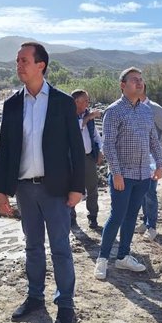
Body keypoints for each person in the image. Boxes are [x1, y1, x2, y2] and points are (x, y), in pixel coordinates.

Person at [0, 42, 85, 323]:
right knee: (32, 247)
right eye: (17, 60)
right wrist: (0, 190)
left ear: (40, 65)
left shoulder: (61, 102)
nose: (18, 65)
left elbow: (75, 148)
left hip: (55, 189)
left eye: (23, 60)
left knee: (60, 249)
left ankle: (66, 305)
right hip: (24, 189)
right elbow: (5, 150)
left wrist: (77, 188)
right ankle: (35, 297)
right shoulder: (11, 104)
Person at [94, 67, 162, 281]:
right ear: (122, 85)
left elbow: (153, 140)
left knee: (132, 216)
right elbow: (108, 146)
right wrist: (116, 173)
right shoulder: (114, 111)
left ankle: (123, 256)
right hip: (123, 175)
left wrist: (160, 164)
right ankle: (103, 259)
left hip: (143, 175)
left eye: (141, 80)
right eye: (134, 80)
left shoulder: (146, 111)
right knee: (117, 216)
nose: (139, 83)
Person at [136, 85, 162, 240]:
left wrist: (157, 150)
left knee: (150, 192)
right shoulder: (133, 108)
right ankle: (145, 221)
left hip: (150, 160)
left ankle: (152, 226)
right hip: (137, 159)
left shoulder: (155, 110)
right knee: (142, 192)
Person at [70, 89, 103, 229]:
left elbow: (95, 135)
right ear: (76, 102)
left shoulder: (87, 116)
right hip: (71, 159)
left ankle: (93, 217)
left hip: (88, 158)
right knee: (70, 188)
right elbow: (74, 130)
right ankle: (71, 217)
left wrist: (100, 150)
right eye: (85, 100)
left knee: (92, 188)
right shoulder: (67, 115)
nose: (88, 103)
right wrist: (88, 117)